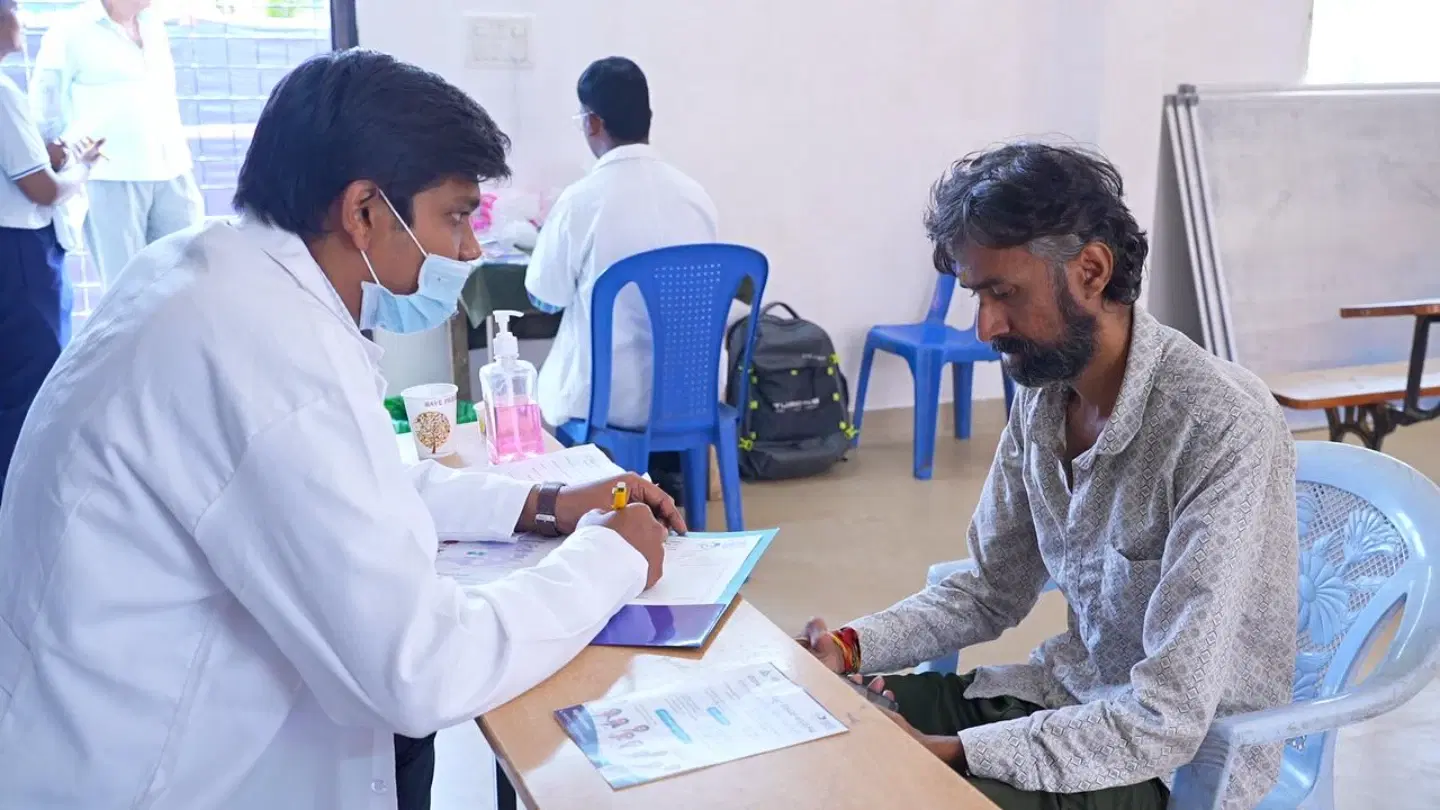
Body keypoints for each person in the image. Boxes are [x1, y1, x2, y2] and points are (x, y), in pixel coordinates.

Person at [0, 49, 683, 810]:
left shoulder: (205, 274)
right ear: (363, 211)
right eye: (456, 216)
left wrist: (542, 504)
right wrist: (610, 558)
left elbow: (353, 482)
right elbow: (422, 670)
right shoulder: (270, 351)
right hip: (152, 775)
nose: (467, 249)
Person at [800, 143, 1299, 810]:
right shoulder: (1045, 394)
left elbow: (1168, 716)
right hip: (1061, 701)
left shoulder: (1220, 425)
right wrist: (850, 646)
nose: (985, 327)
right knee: (816, 721)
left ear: (1091, 270)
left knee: (901, 791)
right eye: (977, 295)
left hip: (1168, 763)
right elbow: (987, 589)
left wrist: (948, 753)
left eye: (1003, 293)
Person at [525, 56, 720, 430]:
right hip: (692, 396)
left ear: (593, 122)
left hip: (608, 400)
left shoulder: (581, 200)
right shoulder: (696, 197)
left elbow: (546, 297)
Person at [0, 0, 103, 504]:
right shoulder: (1, 91)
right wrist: (81, 168)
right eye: (16, 9)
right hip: (20, 253)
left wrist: (49, 152)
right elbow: (40, 189)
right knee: (31, 390)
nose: (23, 19)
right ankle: (24, 510)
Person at [29, 0, 202, 285]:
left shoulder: (153, 24)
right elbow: (45, 108)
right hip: (110, 177)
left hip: (174, 171)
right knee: (126, 292)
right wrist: (62, 163)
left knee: (189, 284)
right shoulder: (70, 31)